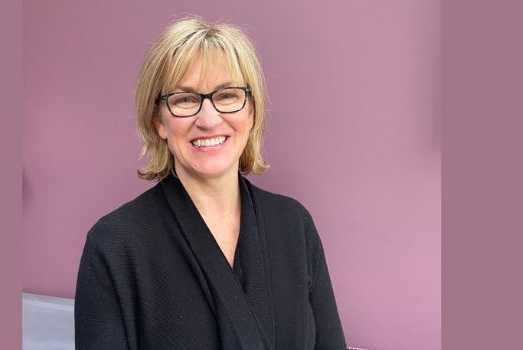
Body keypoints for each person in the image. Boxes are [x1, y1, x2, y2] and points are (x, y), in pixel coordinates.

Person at [74, 17, 347, 349]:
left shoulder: (295, 225)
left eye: (228, 95)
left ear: (252, 111)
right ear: (158, 120)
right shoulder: (114, 245)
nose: (208, 119)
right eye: (185, 99)